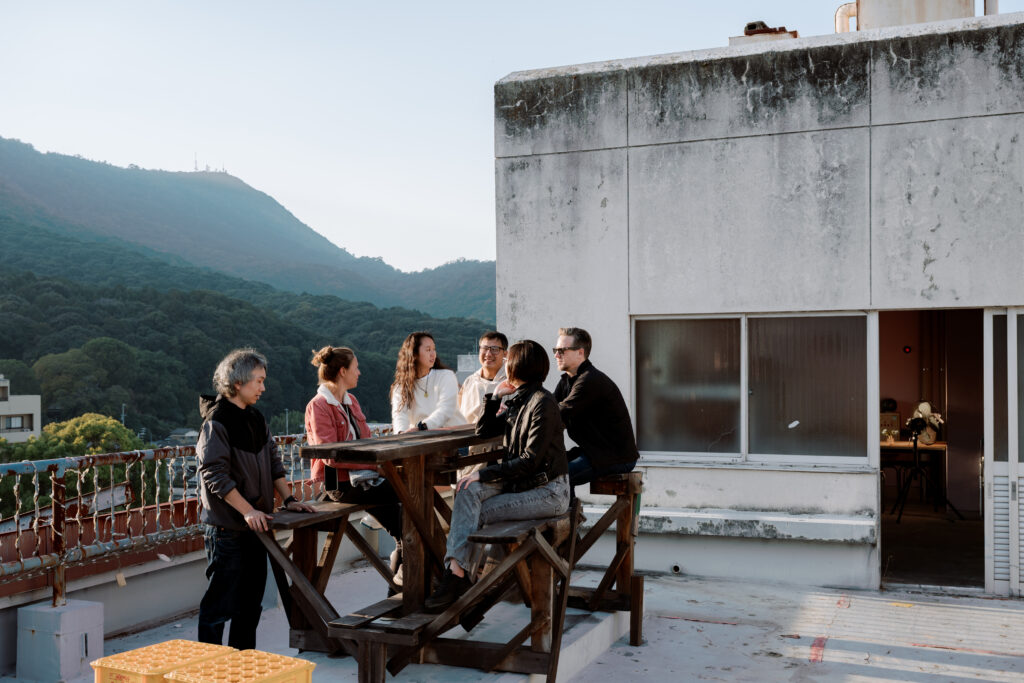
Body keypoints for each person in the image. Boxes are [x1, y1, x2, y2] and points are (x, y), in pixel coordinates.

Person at [424, 339, 569, 613]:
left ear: (517, 365)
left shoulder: (543, 404)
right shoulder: (518, 398)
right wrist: (494, 397)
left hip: (548, 491)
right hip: (521, 484)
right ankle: (457, 572)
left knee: (478, 508)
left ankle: (467, 583)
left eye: (508, 360)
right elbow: (484, 431)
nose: (504, 364)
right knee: (466, 490)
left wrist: (484, 474)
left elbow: (529, 461)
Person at [196, 348, 315, 649]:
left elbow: (275, 462)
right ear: (237, 383)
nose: (263, 388)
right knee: (217, 610)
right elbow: (214, 474)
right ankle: (206, 674)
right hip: (228, 530)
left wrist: (289, 500)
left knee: (249, 607)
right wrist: (248, 511)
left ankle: (242, 667)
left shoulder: (256, 418)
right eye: (258, 381)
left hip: (256, 528)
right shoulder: (216, 420)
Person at [304, 346, 403, 577]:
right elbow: (330, 456)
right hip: (337, 484)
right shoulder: (318, 405)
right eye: (356, 368)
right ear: (342, 371)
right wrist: (374, 466)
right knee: (407, 498)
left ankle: (399, 591)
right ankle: (402, 590)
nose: (359, 373)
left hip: (364, 480)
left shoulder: (351, 401)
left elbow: (366, 442)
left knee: (406, 529)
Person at [553, 327, 640, 489]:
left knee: (558, 476)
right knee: (548, 469)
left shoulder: (590, 380)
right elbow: (549, 408)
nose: (556, 355)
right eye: (556, 350)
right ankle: (570, 513)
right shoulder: (567, 380)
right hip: (594, 451)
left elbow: (558, 413)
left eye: (562, 350)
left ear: (580, 352)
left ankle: (569, 514)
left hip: (616, 457)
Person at [456, 331, 508, 477]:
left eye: (495, 349)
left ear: (506, 354)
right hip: (467, 447)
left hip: (496, 455)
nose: (488, 353)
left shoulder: (511, 381)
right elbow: (460, 415)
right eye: (484, 348)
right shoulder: (470, 381)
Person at [390, 331, 459, 433]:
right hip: (423, 441)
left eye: (434, 349)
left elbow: (445, 410)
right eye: (428, 350)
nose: (433, 354)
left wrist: (422, 427)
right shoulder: (401, 386)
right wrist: (401, 433)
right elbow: (399, 414)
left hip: (455, 439)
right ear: (414, 354)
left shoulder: (446, 376)